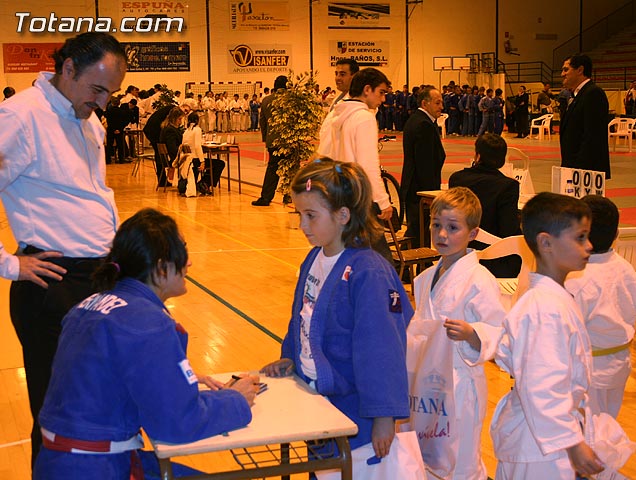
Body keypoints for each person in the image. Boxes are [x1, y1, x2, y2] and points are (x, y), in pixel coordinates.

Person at [33, 208, 258, 478]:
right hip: (98, 467)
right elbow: (177, 423)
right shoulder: (147, 321)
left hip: (59, 462)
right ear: (162, 267)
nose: (189, 264)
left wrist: (178, 381)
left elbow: (109, 380)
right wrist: (235, 399)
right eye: (183, 252)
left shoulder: (88, 305)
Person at [0, 32, 127, 465]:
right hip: (52, 284)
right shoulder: (21, 116)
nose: (104, 101)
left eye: (111, 92)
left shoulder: (90, 119)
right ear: (68, 67)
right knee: (59, 418)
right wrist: (9, 265)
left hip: (96, 279)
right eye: (97, 89)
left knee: (96, 405)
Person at [261, 158, 412, 476]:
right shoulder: (314, 258)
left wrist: (385, 416)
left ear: (343, 216)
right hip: (318, 401)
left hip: (357, 411)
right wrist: (291, 358)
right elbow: (301, 319)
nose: (303, 225)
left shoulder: (368, 272)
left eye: (311, 216)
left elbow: (382, 348)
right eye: (300, 214)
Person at [491, 192, 604, 479]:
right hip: (540, 447)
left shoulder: (548, 299)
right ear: (545, 243)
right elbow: (541, 385)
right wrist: (572, 443)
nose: (589, 246)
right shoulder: (544, 308)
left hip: (542, 437)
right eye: (580, 237)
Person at [407, 187, 504, 479]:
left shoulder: (480, 280)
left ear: (473, 233)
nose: (442, 235)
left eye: (452, 227)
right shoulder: (424, 278)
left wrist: (473, 333)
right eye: (436, 225)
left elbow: (499, 331)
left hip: (461, 385)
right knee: (425, 455)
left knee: (461, 459)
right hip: (425, 386)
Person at [565, 195, 636, 418]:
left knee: (584, 434)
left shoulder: (577, 278)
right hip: (618, 365)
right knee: (606, 427)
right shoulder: (626, 268)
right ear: (616, 234)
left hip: (587, 370)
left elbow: (566, 331)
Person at [317, 67, 394, 262]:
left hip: (342, 194)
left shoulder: (336, 116)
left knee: (348, 256)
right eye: (381, 92)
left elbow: (325, 154)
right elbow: (368, 165)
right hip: (362, 198)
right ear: (367, 89)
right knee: (381, 261)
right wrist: (383, 201)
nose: (383, 99)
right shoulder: (364, 118)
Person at [449, 134, 521, 277]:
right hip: (495, 260)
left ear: (478, 155)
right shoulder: (508, 186)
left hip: (459, 254)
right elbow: (508, 229)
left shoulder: (456, 179)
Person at [400, 86, 445, 248]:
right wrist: (430, 194)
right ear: (425, 103)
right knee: (418, 232)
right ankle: (409, 266)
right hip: (419, 189)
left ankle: (414, 266)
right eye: (437, 103)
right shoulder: (423, 125)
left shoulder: (417, 119)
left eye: (442, 102)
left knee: (418, 231)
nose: (441, 107)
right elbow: (424, 164)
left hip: (413, 186)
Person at [560, 53, 610, 179]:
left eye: (566, 69)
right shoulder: (578, 95)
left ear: (580, 70)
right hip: (574, 167)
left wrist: (579, 170)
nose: (562, 74)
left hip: (585, 169)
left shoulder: (593, 94)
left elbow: (592, 136)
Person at [252, 75, 288, 206]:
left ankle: (265, 198)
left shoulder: (267, 100)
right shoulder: (291, 100)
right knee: (291, 170)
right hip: (290, 140)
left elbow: (262, 122)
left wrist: (266, 138)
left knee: (272, 169)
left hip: (273, 141)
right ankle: (289, 196)